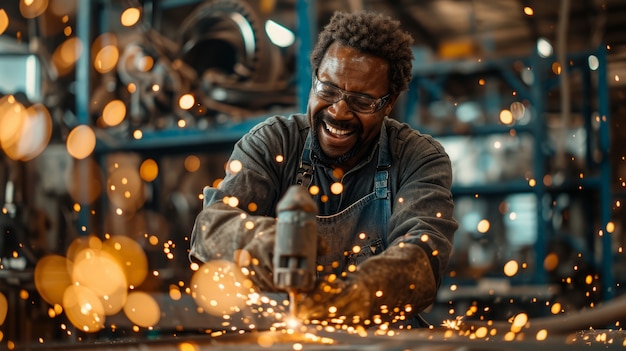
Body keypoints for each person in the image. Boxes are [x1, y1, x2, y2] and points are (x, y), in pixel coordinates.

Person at [189, 10, 457, 327]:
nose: (338, 112)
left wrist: (354, 295)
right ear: (314, 76)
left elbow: (422, 260)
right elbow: (210, 230)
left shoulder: (419, 158)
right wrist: (264, 242)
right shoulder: (272, 143)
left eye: (361, 101)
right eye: (327, 90)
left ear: (389, 102)